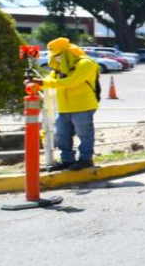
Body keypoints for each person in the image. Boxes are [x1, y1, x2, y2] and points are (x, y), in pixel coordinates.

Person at [43, 37, 101, 171]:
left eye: (58, 55)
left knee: (84, 134)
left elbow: (72, 81)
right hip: (64, 108)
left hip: (83, 107)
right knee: (61, 135)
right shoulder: (59, 68)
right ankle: (67, 160)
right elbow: (49, 79)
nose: (55, 59)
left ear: (66, 53)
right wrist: (36, 82)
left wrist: (43, 83)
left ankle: (86, 160)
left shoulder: (86, 63)